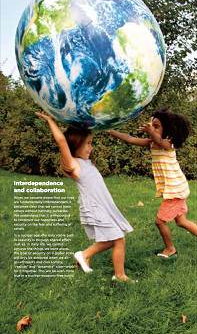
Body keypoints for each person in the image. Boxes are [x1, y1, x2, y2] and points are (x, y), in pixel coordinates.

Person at [109, 108, 197, 261]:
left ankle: (170, 249)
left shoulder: (168, 144)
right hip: (176, 189)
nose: (152, 129)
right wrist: (110, 131)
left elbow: (160, 141)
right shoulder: (152, 143)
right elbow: (129, 139)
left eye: (156, 126)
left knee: (160, 221)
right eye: (151, 125)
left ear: (167, 130)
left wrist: (150, 132)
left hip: (175, 191)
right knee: (182, 222)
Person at [36, 112, 134, 282]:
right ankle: (119, 275)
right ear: (76, 144)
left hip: (102, 206)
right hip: (95, 207)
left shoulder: (86, 162)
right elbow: (61, 141)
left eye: (91, 143)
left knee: (113, 239)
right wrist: (51, 121)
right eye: (88, 143)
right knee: (118, 239)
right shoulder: (73, 164)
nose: (91, 147)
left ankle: (84, 256)